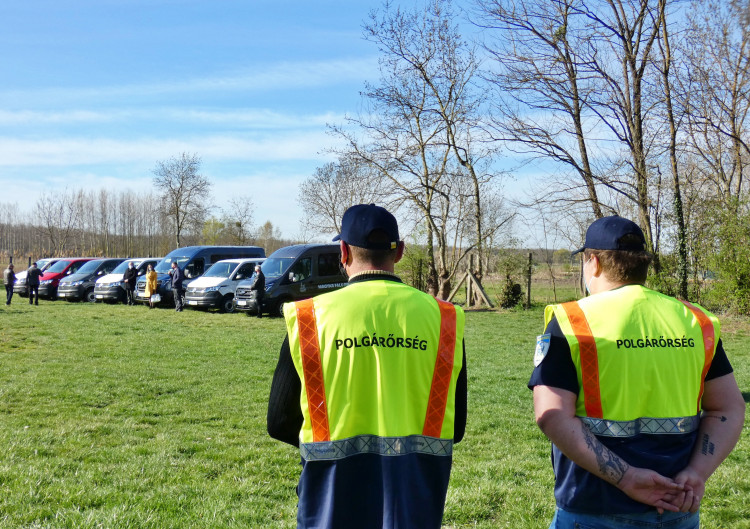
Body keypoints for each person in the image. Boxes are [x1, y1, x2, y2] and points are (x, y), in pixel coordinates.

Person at [529, 215, 745, 528]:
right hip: (678, 504)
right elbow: (728, 407)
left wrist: (627, 478)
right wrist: (697, 473)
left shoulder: (574, 321)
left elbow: (551, 414)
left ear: (595, 263)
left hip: (594, 506)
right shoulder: (695, 321)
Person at [267, 204, 467, 529]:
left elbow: (279, 421)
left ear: (343, 252)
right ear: (400, 252)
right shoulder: (444, 319)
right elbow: (454, 428)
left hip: (330, 502)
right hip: (414, 502)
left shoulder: (309, 318)